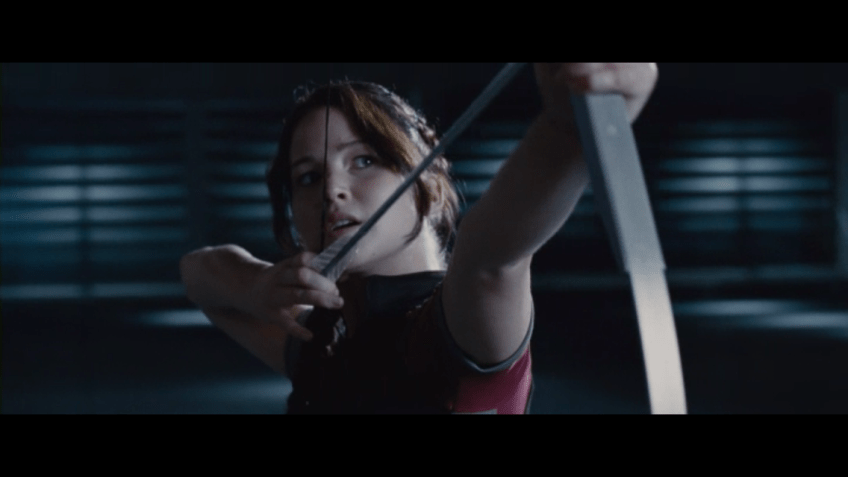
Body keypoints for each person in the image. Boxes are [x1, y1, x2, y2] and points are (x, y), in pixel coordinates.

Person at [179, 63, 658, 413]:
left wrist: (568, 128)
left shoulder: (451, 331)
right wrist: (258, 287)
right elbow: (198, 273)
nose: (332, 189)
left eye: (364, 160)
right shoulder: (322, 337)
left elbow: (489, 259)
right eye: (308, 177)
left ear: (426, 176)